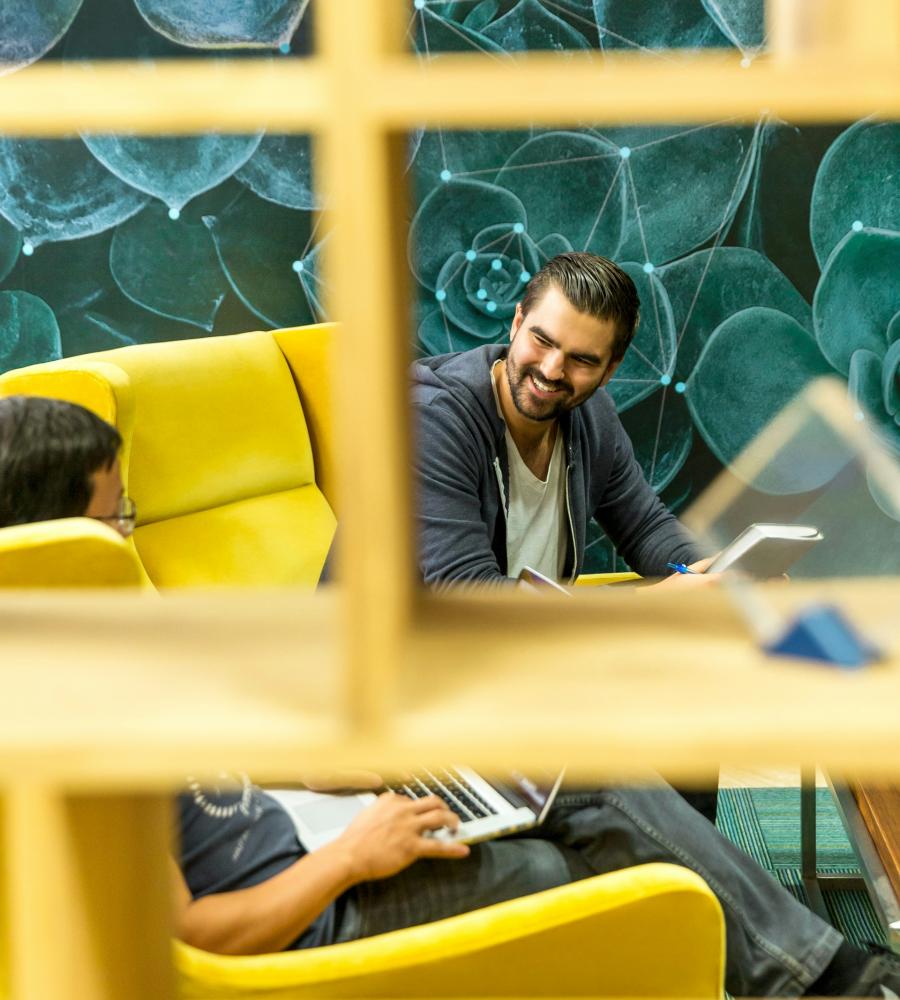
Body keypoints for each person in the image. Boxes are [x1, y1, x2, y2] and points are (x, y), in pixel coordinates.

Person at [2, 400, 898, 996]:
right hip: (311, 911)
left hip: (321, 839)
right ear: (47, 533)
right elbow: (195, 935)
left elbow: (204, 772)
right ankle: (818, 980)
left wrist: (338, 769)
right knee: (573, 841)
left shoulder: (88, 644)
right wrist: (354, 856)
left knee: (565, 784)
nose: (129, 533)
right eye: (114, 518)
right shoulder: (54, 713)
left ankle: (798, 971)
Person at [413, 252, 706, 587]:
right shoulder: (431, 423)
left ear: (610, 369)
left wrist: (710, 572)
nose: (551, 370)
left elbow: (645, 528)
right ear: (517, 323)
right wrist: (643, 607)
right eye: (542, 340)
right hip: (409, 636)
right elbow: (466, 588)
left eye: (581, 359)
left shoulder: (593, 416)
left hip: (528, 633)